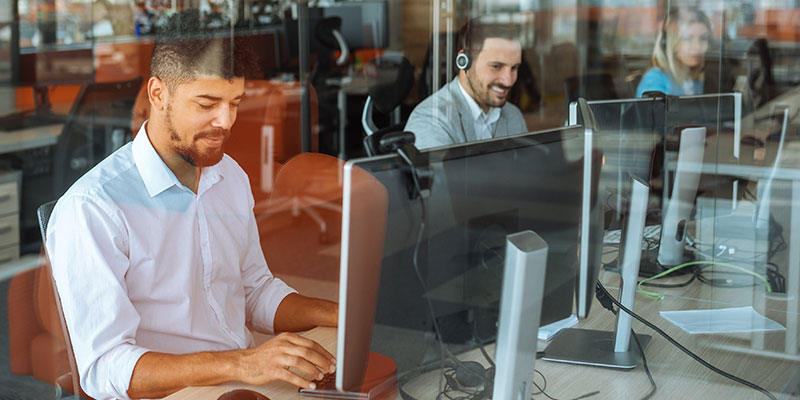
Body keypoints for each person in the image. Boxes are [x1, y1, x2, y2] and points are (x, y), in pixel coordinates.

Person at [45, 10, 338, 400]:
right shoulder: (93, 209)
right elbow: (104, 368)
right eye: (207, 103)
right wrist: (242, 363)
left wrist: (341, 314)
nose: (226, 121)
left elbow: (254, 290)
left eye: (235, 102)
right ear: (158, 94)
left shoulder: (229, 177)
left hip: (242, 385)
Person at [404, 19, 527, 149]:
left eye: (514, 68)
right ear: (463, 61)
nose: (508, 81)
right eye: (496, 66)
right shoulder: (431, 120)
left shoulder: (512, 115)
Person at [636, 7, 712, 97]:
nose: (697, 46)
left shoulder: (694, 78)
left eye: (702, 38)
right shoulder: (655, 80)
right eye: (687, 38)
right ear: (670, 42)